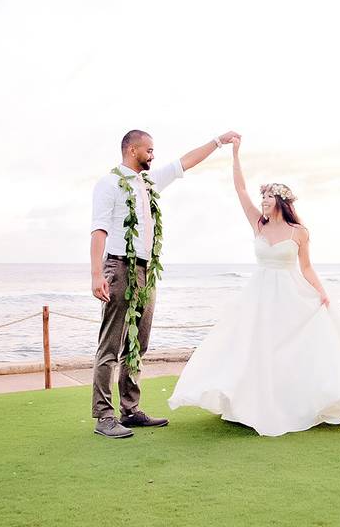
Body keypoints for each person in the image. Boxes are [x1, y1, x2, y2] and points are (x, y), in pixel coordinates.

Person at [168, 136, 340, 436]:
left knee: (290, 349)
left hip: (290, 294)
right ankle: (249, 404)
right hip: (259, 296)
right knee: (254, 347)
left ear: (280, 202)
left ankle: (296, 402)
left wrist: (321, 292)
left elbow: (306, 267)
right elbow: (239, 189)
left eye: (267, 199)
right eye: (261, 198)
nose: (262, 202)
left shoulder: (299, 232)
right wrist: (236, 153)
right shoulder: (258, 224)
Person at [90, 128, 239, 438]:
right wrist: (96, 275)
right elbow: (99, 230)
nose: (153, 155)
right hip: (119, 266)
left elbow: (185, 162)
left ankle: (130, 410)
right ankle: (104, 416)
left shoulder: (149, 182)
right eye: (149, 150)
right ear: (132, 150)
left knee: (138, 344)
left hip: (146, 269)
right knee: (112, 343)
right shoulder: (109, 184)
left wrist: (216, 142)